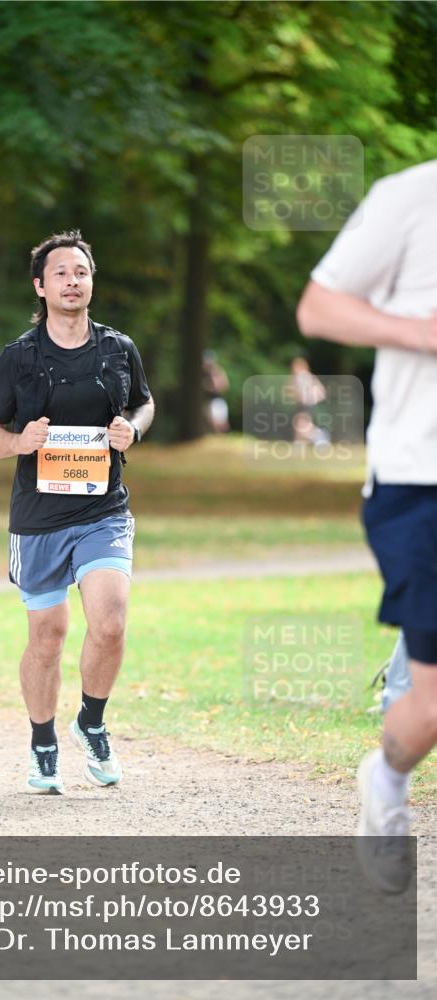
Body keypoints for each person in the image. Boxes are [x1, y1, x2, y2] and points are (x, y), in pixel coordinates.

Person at [0, 230, 155, 794]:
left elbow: (143, 403)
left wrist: (133, 429)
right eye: (61, 273)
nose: (72, 281)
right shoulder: (19, 357)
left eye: (81, 272)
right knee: (47, 636)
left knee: (111, 621)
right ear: (41, 285)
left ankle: (91, 723)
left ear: (91, 281)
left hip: (103, 511)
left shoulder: (118, 348)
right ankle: (43, 740)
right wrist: (19, 443)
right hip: (38, 519)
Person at [297, 159, 437, 893]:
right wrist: (420, 331)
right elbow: (317, 309)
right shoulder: (410, 198)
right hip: (421, 478)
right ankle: (384, 781)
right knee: (432, 706)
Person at [202, 350, 230, 433]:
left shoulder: (217, 372)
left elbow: (223, 386)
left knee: (219, 423)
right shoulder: (206, 373)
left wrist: (208, 387)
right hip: (211, 400)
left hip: (217, 400)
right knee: (212, 422)